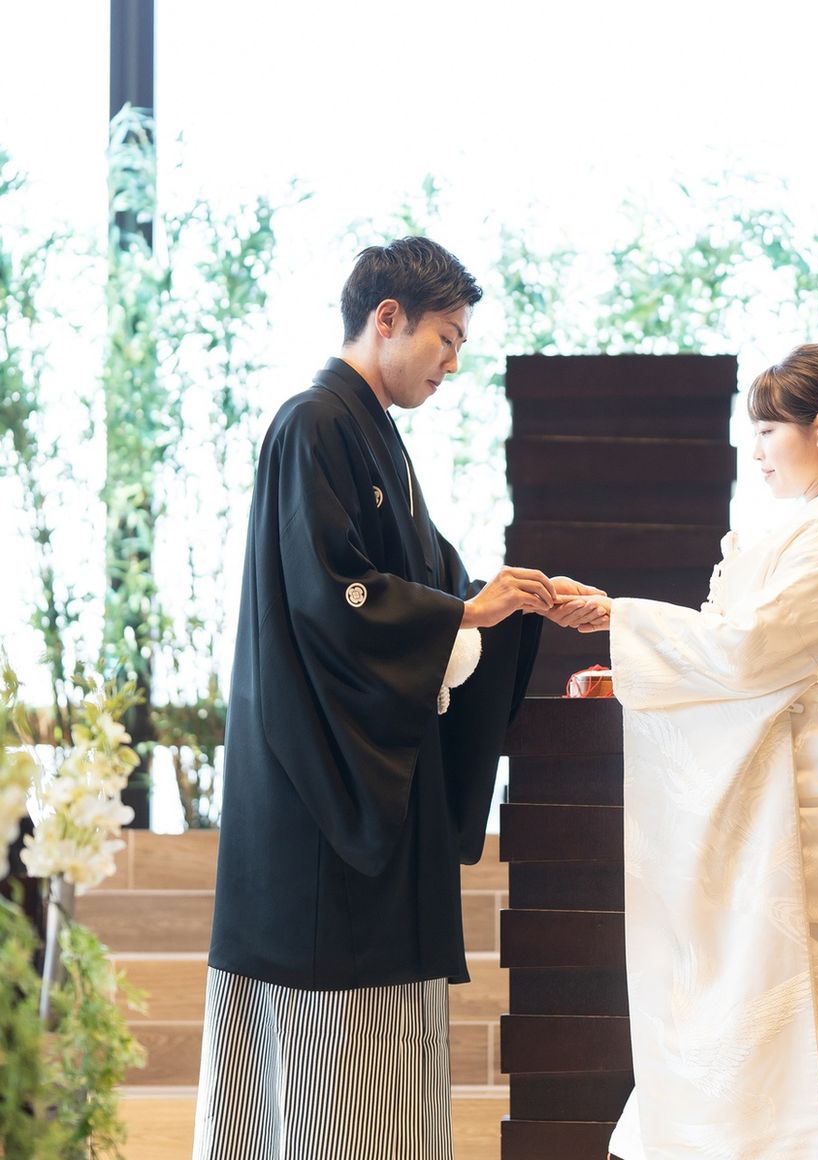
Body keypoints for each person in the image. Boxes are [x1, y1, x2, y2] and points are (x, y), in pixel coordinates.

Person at [192, 237, 603, 1160]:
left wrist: (512, 604)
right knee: (327, 1075)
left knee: (382, 1078)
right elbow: (329, 600)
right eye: (446, 339)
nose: (452, 363)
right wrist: (465, 612)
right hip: (322, 800)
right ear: (388, 319)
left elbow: (434, 590)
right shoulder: (313, 424)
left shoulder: (372, 434)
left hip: (375, 797)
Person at [585, 344, 818, 1160]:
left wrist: (619, 618)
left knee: (806, 1066)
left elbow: (746, 655)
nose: (755, 451)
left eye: (767, 431)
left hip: (801, 846)